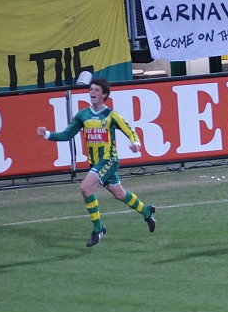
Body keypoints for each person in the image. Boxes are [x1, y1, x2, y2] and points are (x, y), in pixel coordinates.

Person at [36, 77, 157, 248]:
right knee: (120, 194)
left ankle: (98, 229)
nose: (92, 92)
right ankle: (147, 211)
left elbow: (130, 130)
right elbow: (66, 134)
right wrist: (47, 134)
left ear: (104, 95)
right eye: (91, 89)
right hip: (95, 163)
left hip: (109, 160)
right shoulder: (82, 115)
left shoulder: (111, 115)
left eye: (96, 90)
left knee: (86, 188)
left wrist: (135, 143)